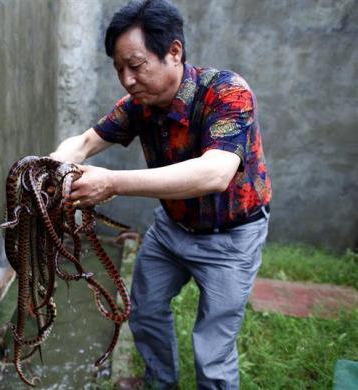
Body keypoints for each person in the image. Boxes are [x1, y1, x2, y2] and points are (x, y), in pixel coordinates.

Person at [50, 0, 272, 388]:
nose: (127, 79)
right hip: (172, 229)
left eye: (135, 65)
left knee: (213, 350)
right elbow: (85, 142)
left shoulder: (226, 93)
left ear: (174, 52)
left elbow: (215, 173)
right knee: (146, 312)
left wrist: (113, 182)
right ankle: (160, 383)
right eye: (119, 69)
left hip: (231, 238)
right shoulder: (139, 105)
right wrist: (49, 166)